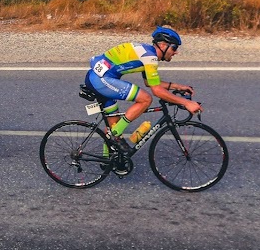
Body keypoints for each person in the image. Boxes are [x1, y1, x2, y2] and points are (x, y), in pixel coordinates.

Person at [84, 26, 200, 154]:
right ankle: (114, 136)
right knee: (145, 99)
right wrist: (186, 103)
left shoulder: (148, 52)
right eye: (174, 48)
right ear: (162, 45)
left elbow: (150, 83)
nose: (176, 52)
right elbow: (156, 91)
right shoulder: (150, 58)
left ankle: (107, 160)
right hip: (102, 79)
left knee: (114, 124)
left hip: (97, 77)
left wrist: (178, 86)